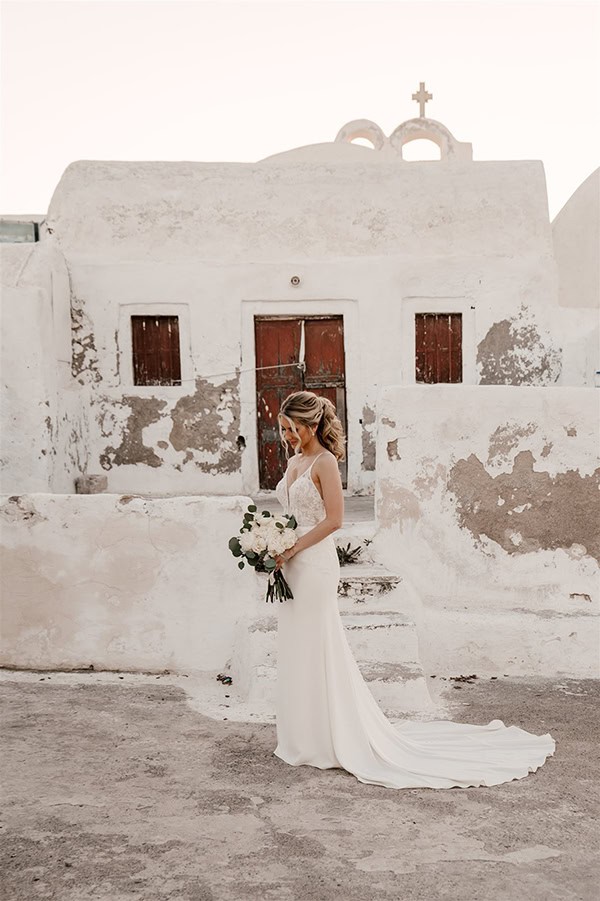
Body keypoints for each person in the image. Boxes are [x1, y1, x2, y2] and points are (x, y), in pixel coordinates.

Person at [271, 390, 556, 789]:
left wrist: (293, 545)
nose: (286, 435)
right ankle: (302, 736)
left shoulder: (325, 462)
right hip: (292, 567)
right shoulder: (294, 461)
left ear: (312, 425)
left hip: (315, 566)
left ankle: (330, 739)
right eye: (283, 428)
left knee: (319, 645)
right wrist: (270, 543)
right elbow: (290, 515)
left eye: (291, 428)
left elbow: (335, 520)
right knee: (297, 646)